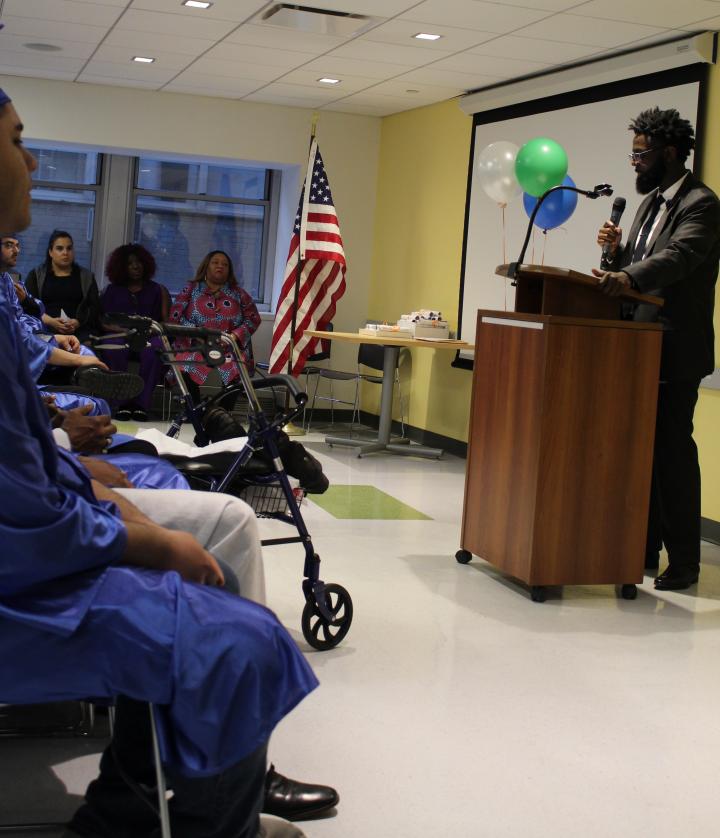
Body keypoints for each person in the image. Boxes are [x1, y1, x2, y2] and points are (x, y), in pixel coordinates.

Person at [0, 86, 337, 837]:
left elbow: (19, 462)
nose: (30, 159)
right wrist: (143, 537)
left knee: (161, 477)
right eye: (17, 140)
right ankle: (209, 817)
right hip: (18, 589)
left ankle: (126, 809)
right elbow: (18, 504)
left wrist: (82, 484)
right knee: (240, 639)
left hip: (37, 538)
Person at [594, 107, 720, 592]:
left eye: (640, 154)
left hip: (674, 350)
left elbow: (679, 258)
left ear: (669, 154)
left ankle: (685, 561)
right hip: (636, 347)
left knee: (671, 455)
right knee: (637, 452)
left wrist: (626, 274)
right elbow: (636, 263)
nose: (634, 163)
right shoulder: (648, 204)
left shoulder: (702, 204)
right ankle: (641, 548)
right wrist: (613, 256)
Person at [170, 250, 261, 409]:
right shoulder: (191, 289)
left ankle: (222, 414)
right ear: (206, 266)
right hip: (196, 345)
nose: (220, 266)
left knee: (236, 368)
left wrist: (234, 336)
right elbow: (175, 317)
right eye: (215, 262)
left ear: (229, 270)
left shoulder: (238, 293)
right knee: (185, 366)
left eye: (225, 264)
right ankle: (195, 411)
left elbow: (253, 318)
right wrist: (197, 333)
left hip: (229, 347)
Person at [100, 243, 170, 421]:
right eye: (130, 263)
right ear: (122, 267)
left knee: (155, 351)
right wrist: (123, 331)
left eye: (139, 262)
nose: (136, 266)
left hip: (149, 334)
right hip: (120, 333)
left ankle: (141, 405)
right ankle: (121, 403)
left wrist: (149, 331)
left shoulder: (157, 290)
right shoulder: (112, 290)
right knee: (113, 349)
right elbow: (104, 321)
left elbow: (165, 322)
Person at [25, 229, 101, 342]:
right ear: (50, 252)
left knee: (86, 350)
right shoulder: (36, 276)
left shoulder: (86, 277)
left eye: (69, 248)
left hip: (79, 331)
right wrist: (51, 321)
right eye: (60, 248)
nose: (65, 253)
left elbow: (94, 307)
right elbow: (28, 307)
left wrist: (77, 322)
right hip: (45, 329)